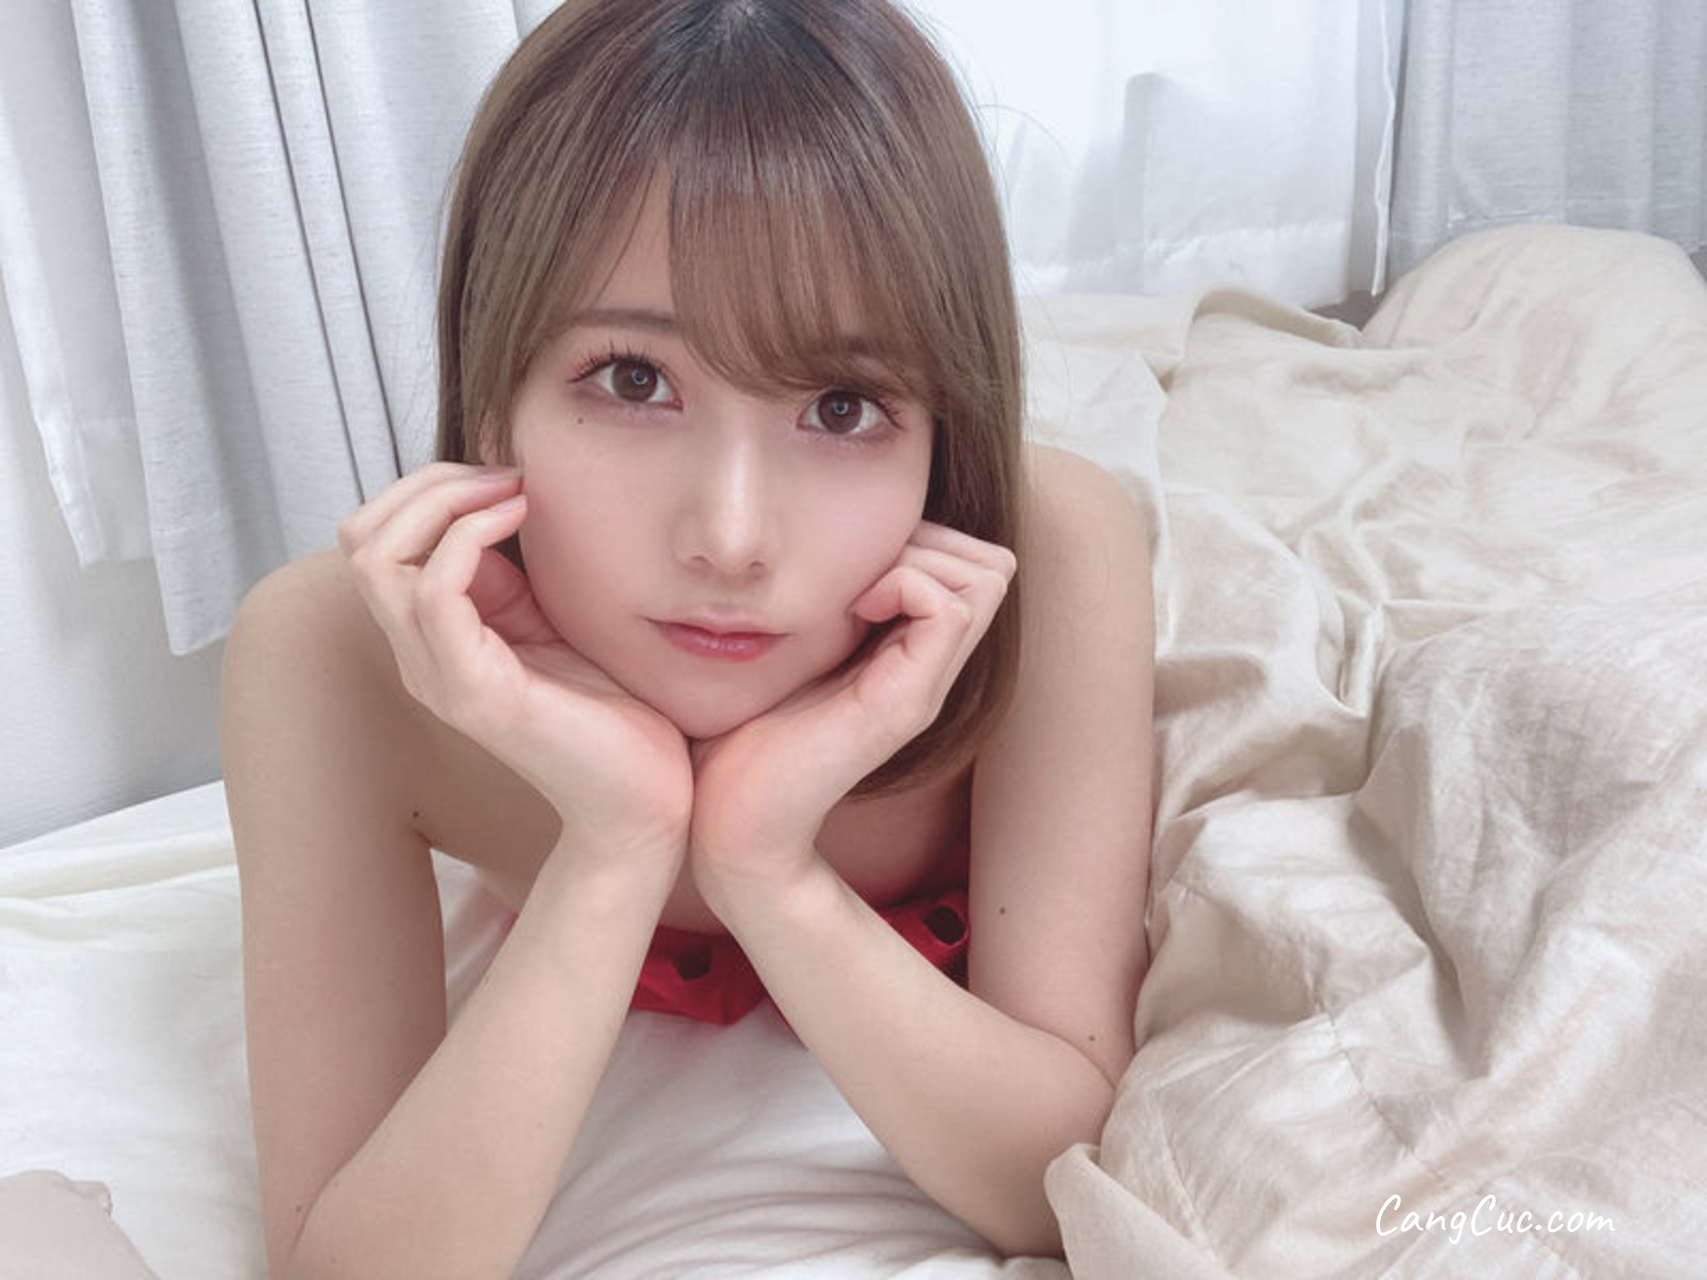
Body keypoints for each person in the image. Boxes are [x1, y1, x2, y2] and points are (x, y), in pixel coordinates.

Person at [220, 1, 1154, 1275]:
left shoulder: (1049, 558)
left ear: (949, 428)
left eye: (842, 405)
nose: (730, 538)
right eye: (633, 378)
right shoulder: (331, 660)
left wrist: (769, 866)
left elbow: (1060, 1190)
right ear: (491, 386)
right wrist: (615, 846)